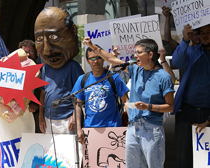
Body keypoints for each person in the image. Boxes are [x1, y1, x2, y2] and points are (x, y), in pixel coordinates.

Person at [83, 37, 174, 168]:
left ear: (150, 54)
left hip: (152, 129)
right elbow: (112, 59)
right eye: (134, 52)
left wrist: (148, 106)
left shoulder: (163, 77)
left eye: (139, 52)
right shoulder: (135, 70)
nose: (134, 55)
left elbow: (170, 107)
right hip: (132, 128)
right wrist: (92, 46)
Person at [34, 7, 84, 134]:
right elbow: (43, 94)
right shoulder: (45, 68)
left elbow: (80, 93)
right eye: (39, 39)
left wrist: (75, 115)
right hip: (49, 118)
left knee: (69, 152)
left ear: (73, 32)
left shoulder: (73, 67)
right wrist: (41, 116)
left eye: (53, 36)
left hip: (67, 119)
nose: (47, 50)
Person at [71, 45, 129, 144]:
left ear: (103, 59)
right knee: (93, 159)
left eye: (99, 57)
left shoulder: (114, 77)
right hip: (90, 130)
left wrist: (131, 125)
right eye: (92, 58)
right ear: (87, 60)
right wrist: (79, 129)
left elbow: (126, 102)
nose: (96, 61)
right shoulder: (82, 79)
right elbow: (78, 105)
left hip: (113, 129)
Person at [172, 24, 210, 168]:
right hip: (186, 111)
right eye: (202, 32)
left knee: (205, 160)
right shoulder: (192, 50)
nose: (204, 35)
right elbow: (176, 62)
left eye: (208, 32)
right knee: (183, 157)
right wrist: (184, 40)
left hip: (207, 114)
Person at [18, 39, 44, 133]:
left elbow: (44, 89)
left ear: (36, 52)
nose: (28, 55)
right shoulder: (14, 68)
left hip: (36, 112)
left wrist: (36, 103)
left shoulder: (42, 67)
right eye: (25, 52)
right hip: (20, 113)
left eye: (31, 51)